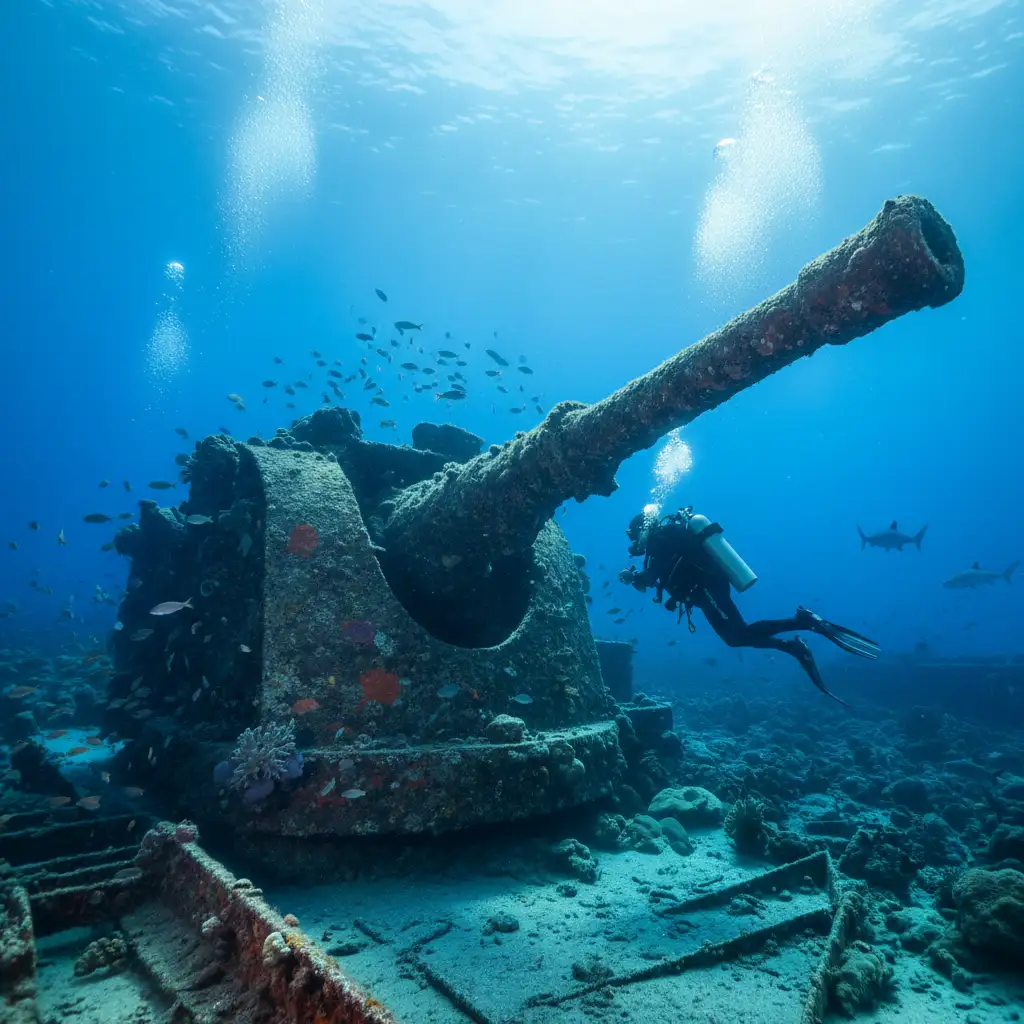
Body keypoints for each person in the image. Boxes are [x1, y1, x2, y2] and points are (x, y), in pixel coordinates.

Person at [619, 508, 879, 707]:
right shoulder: (664, 538)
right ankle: (793, 645)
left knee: (737, 634)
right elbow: (661, 571)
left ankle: (803, 623)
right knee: (734, 638)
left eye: (633, 534)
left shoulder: (660, 538)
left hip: (707, 589)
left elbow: (653, 575)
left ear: (643, 528)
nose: (633, 541)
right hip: (705, 591)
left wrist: (633, 577)